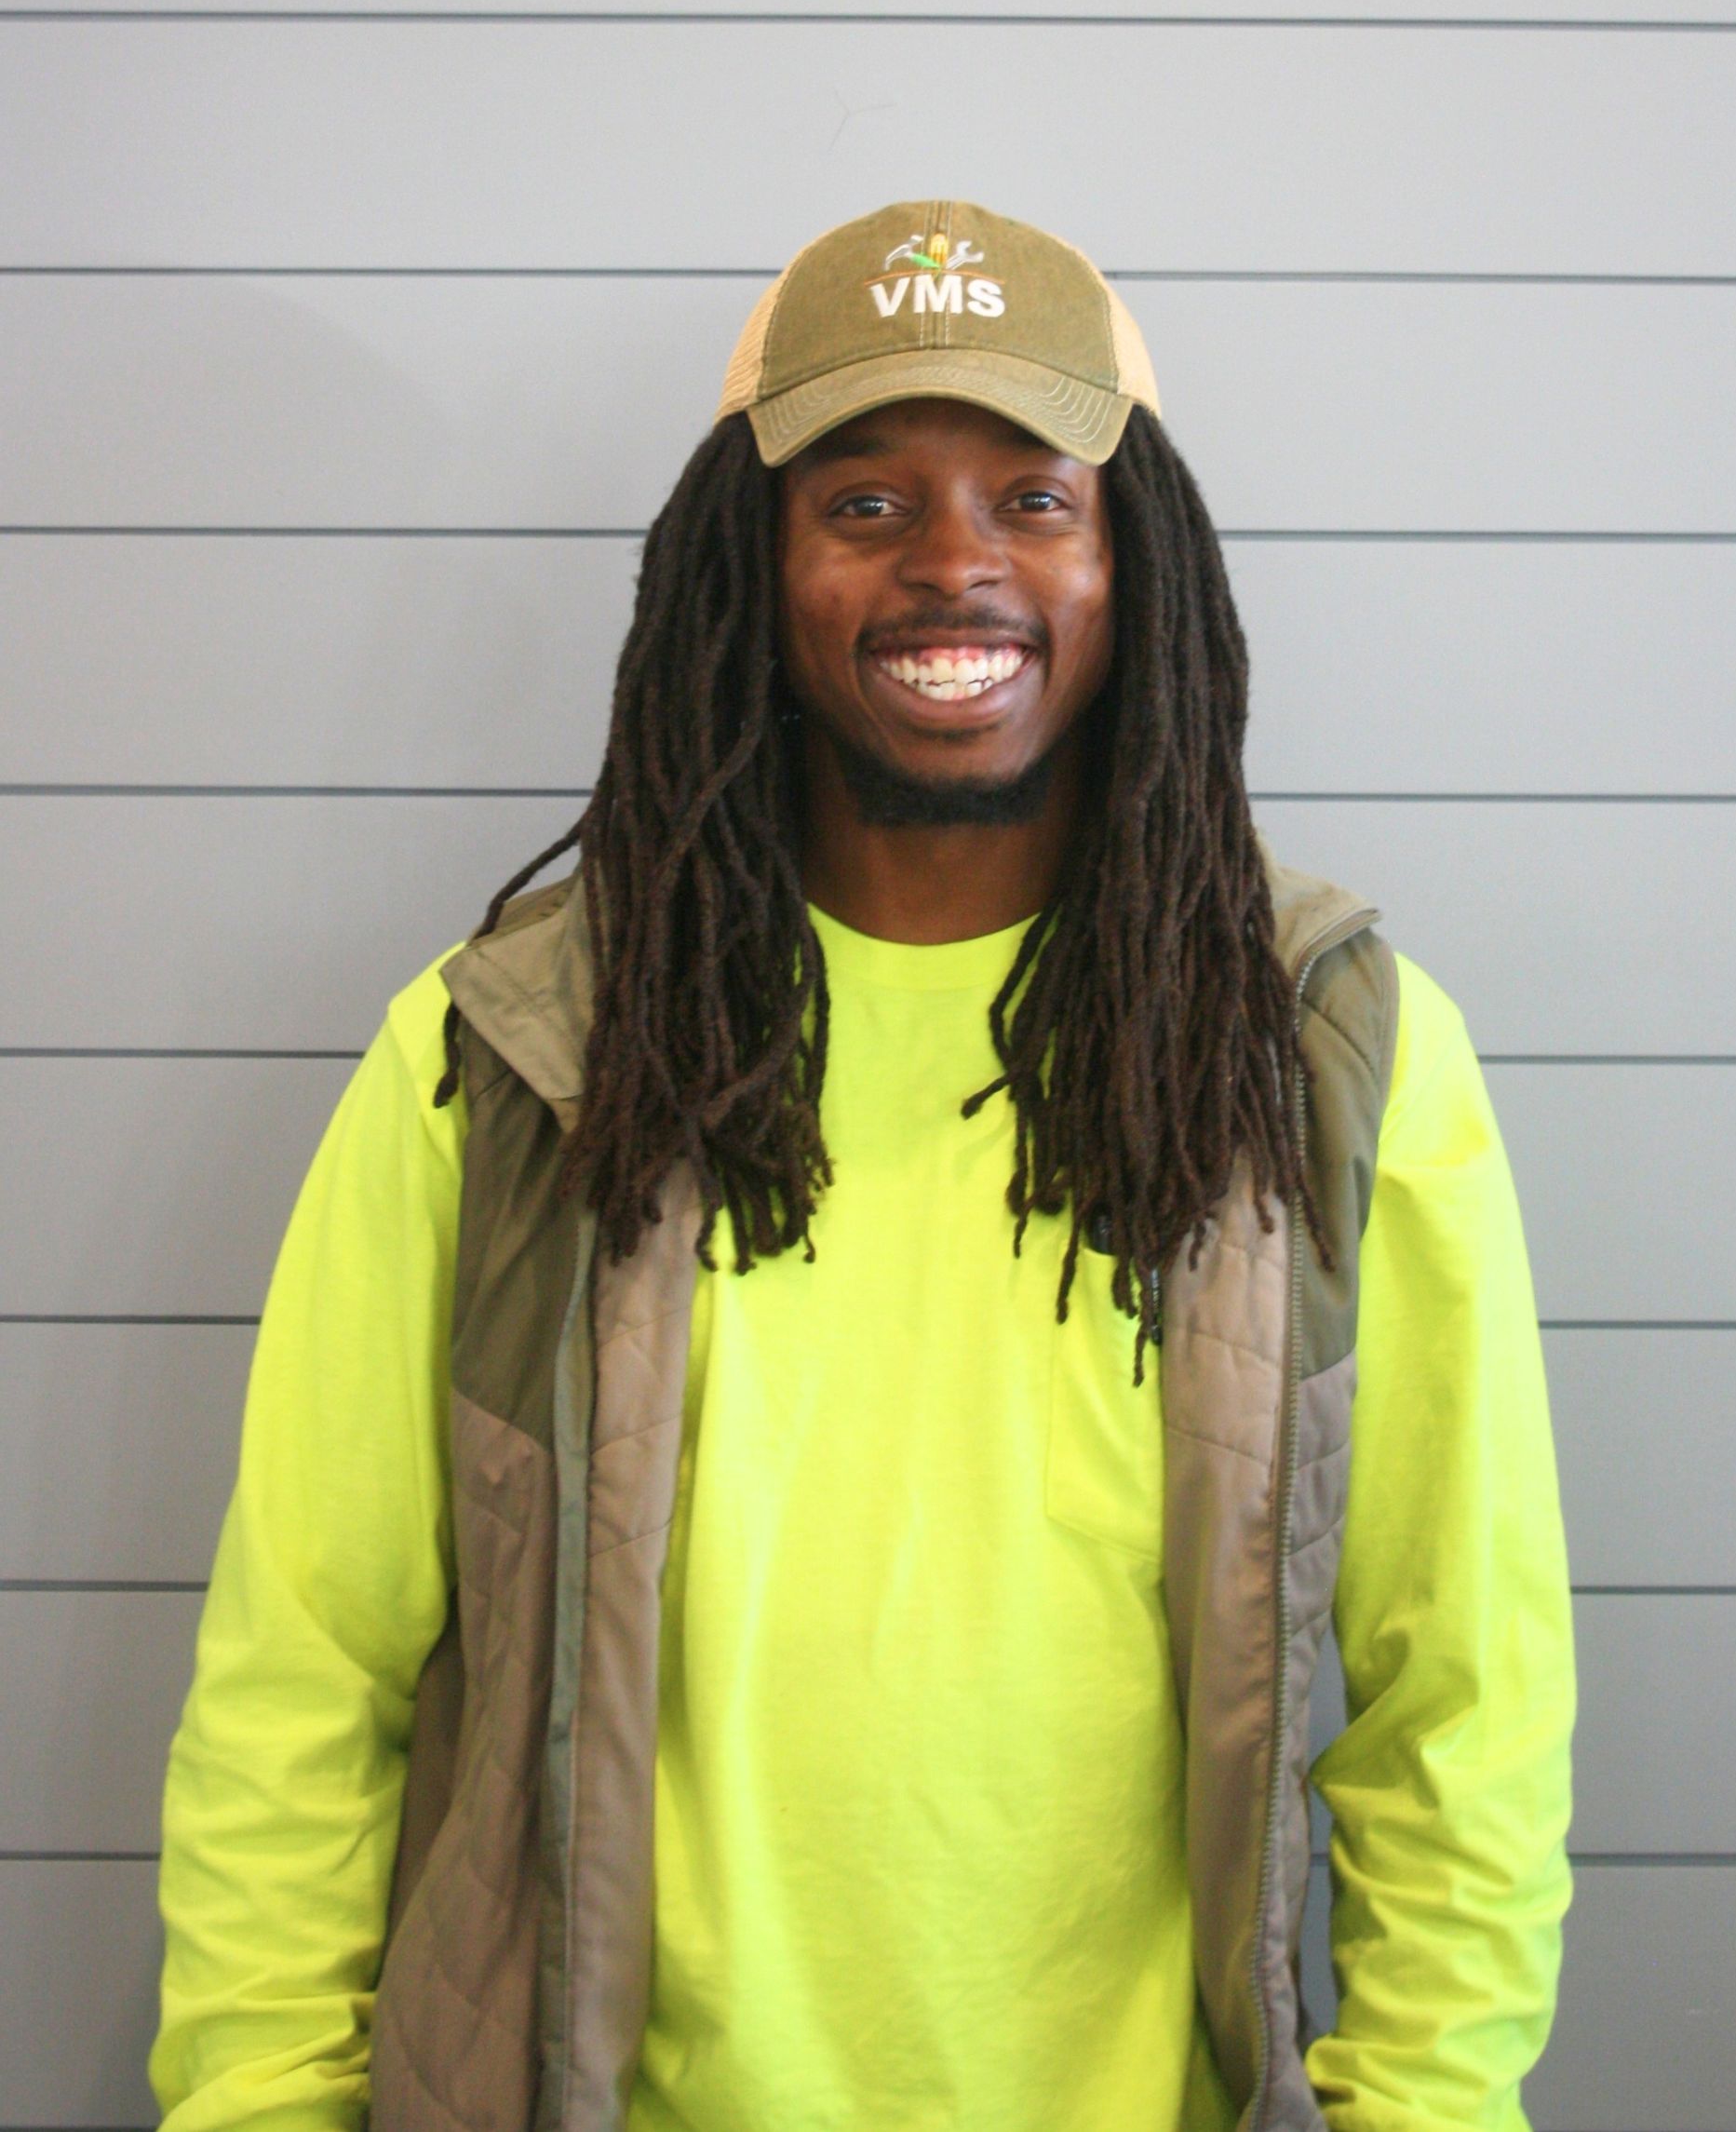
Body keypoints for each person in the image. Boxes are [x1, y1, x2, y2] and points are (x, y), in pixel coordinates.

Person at [151, 199, 1577, 2132]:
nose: (958, 566)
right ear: (754, 562)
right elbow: (303, 1677)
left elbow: (1463, 1703)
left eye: (1034, 497)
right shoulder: (512, 1059)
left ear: (1135, 559)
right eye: (869, 504)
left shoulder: (1322, 1054)